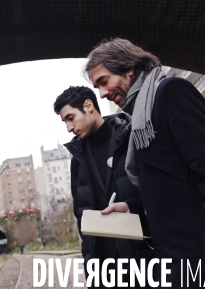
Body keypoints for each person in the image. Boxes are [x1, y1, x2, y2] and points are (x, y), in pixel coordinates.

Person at [84, 38, 205, 288]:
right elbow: (176, 189)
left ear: (128, 67)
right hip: (181, 266)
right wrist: (133, 207)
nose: (103, 93)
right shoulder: (141, 119)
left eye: (104, 82)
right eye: (98, 88)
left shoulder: (171, 93)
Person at [54, 86, 153, 288]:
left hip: (143, 255)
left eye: (70, 118)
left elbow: (158, 194)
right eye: (65, 122)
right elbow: (80, 214)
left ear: (88, 106)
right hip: (103, 267)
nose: (69, 128)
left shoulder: (132, 138)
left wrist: (132, 206)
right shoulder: (77, 160)